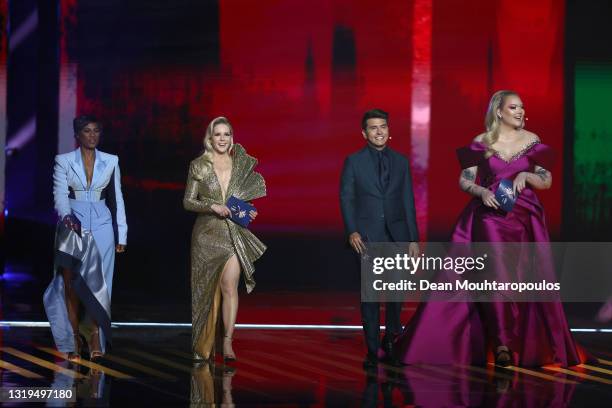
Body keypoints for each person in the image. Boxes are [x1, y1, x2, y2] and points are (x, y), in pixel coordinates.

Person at [394, 90, 583, 367]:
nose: (519, 111)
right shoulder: (481, 142)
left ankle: (518, 341)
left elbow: (547, 180)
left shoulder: (533, 141)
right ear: (499, 111)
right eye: (513, 107)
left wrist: (527, 174)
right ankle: (502, 343)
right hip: (490, 215)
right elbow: (464, 180)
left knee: (520, 279)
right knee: (496, 273)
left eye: (522, 107)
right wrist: (481, 192)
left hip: (525, 217)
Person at [340, 109, 420, 368]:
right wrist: (352, 230)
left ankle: (392, 339)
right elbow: (347, 197)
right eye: (373, 128)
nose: (379, 131)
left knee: (397, 292)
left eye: (383, 126)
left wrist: (413, 239)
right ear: (364, 133)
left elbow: (408, 201)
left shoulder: (401, 162)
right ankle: (373, 348)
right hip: (367, 236)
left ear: (389, 130)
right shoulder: (353, 161)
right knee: (372, 295)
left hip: (397, 235)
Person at [44, 115, 127, 362]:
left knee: (99, 283)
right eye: (87, 131)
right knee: (70, 284)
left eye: (96, 131)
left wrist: (121, 233)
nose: (92, 135)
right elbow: (59, 195)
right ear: (77, 135)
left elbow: (118, 198)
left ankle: (94, 335)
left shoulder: (111, 161)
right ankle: (72, 338)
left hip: (102, 223)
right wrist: (68, 218)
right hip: (72, 222)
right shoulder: (64, 161)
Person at [184, 116, 266, 362]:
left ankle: (228, 343)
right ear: (210, 138)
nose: (222, 139)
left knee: (230, 287)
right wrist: (212, 206)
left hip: (232, 234)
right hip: (206, 237)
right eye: (217, 134)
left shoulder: (239, 164)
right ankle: (204, 343)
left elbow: (241, 200)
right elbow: (188, 201)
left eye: (226, 134)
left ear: (232, 138)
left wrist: (246, 209)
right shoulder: (199, 165)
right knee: (206, 291)